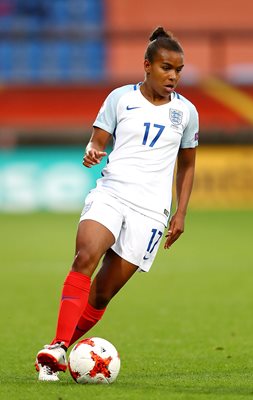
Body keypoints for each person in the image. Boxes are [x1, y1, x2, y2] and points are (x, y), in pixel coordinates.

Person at [35, 26, 199, 381]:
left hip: (152, 212)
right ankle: (58, 347)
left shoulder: (187, 113)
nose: (173, 76)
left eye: (179, 70)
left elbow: (187, 164)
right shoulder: (120, 98)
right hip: (112, 193)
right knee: (85, 256)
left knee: (103, 293)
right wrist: (93, 151)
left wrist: (181, 212)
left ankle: (55, 350)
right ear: (147, 65)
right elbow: (97, 142)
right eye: (166, 67)